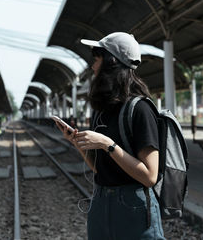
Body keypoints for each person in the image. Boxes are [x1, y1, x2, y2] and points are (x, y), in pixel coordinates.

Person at [54, 32, 165, 239]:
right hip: (101, 201)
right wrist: (77, 142)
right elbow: (99, 168)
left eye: (97, 59)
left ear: (111, 62)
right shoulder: (102, 109)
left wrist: (107, 144)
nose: (93, 67)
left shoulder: (140, 109)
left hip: (133, 204)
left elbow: (150, 176)